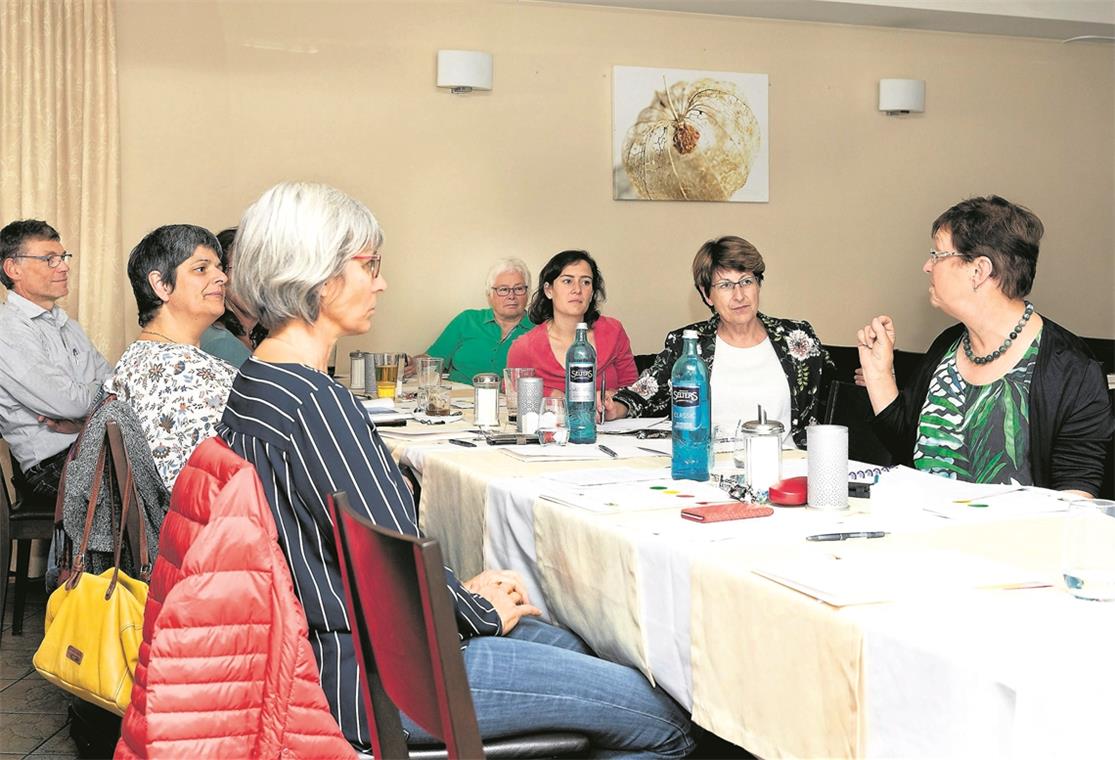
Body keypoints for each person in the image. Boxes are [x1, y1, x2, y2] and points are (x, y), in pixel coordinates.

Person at [218, 181, 693, 756]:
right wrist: (477, 609)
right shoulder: (317, 401)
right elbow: (398, 567)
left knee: (569, 643)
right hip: (378, 675)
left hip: (327, 645)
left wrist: (463, 599)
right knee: (664, 718)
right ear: (318, 277)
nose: (382, 282)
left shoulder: (257, 382)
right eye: (370, 265)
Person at [858, 195, 1113, 495]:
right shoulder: (947, 347)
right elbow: (908, 449)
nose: (927, 266)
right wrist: (879, 374)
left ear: (978, 271)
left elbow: (1076, 498)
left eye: (938, 254)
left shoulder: (1072, 371)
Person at [606, 236, 832, 448]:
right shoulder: (688, 344)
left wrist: (865, 378)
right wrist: (615, 407)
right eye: (725, 285)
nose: (739, 295)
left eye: (746, 281)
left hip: (787, 471)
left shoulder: (797, 337)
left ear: (758, 284)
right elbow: (644, 393)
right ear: (707, 295)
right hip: (708, 467)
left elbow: (835, 387)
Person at [105, 224, 237, 491]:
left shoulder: (136, 357)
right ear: (161, 285)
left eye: (219, 267)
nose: (221, 277)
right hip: (206, 523)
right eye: (201, 269)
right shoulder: (186, 372)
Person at [0, 219, 110, 506]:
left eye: (63, 257)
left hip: (86, 446)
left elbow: (117, 389)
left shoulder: (68, 325)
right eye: (50, 259)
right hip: (49, 466)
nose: (64, 266)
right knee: (147, 486)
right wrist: (83, 406)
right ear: (14, 269)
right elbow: (72, 402)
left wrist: (77, 420)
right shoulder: (7, 329)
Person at [506, 250, 638, 397]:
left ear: (592, 292)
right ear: (549, 290)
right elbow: (513, 391)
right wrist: (549, 394)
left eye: (586, 282)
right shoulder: (524, 347)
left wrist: (615, 403)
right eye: (567, 281)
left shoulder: (613, 331)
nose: (577, 290)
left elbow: (633, 389)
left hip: (609, 421)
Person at [420, 258, 534, 384]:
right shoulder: (467, 320)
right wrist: (408, 363)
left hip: (509, 401)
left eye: (518, 289)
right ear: (490, 294)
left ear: (527, 293)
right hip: (456, 398)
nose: (511, 296)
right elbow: (431, 361)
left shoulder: (541, 330)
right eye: (503, 289)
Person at [199, 227, 266, 368]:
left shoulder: (263, 335)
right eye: (243, 269)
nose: (256, 279)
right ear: (220, 276)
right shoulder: (220, 342)